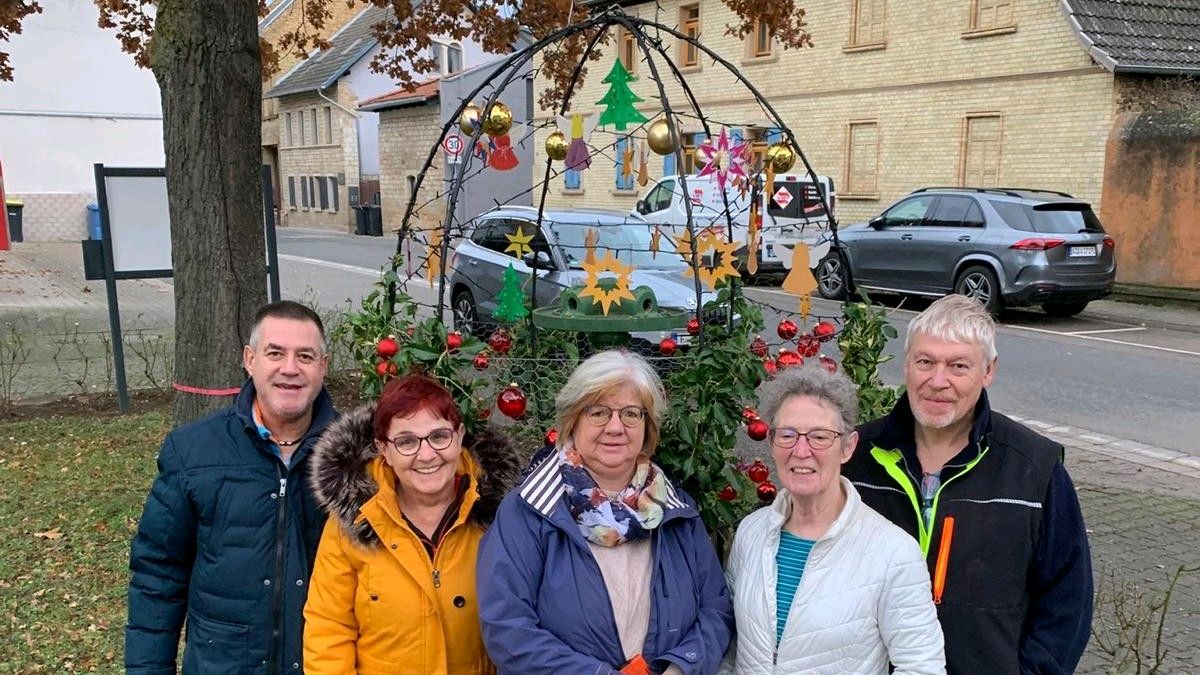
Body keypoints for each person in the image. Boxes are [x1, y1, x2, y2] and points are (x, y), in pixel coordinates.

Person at [844, 294, 1093, 675]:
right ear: (907, 364)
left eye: (958, 366)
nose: (938, 381)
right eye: (925, 362)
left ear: (988, 371)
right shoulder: (855, 458)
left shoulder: (1034, 468)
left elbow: (1067, 601)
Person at [478, 349, 733, 675]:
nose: (615, 427)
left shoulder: (675, 512)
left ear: (647, 427)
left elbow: (715, 609)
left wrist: (681, 667)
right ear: (572, 421)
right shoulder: (529, 511)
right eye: (598, 412)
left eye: (630, 414)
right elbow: (508, 628)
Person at [125, 300, 338, 674]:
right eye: (275, 353)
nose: (290, 368)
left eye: (305, 356)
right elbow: (159, 573)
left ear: (324, 366)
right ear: (250, 360)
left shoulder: (357, 455)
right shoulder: (193, 451)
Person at [725, 364, 946, 674]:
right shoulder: (751, 533)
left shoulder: (893, 553)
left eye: (820, 437)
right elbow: (732, 647)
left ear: (847, 447)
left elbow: (922, 666)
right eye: (787, 435)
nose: (801, 451)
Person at [302, 373, 521, 674]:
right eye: (406, 442)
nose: (427, 455)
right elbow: (328, 629)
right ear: (384, 449)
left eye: (439, 436)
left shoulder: (499, 518)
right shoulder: (354, 523)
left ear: (459, 437)